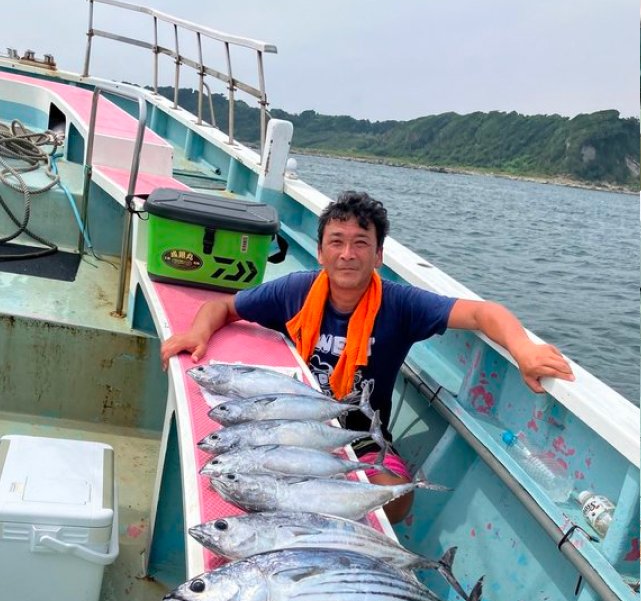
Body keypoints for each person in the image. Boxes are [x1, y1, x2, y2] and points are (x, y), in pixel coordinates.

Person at [160, 190, 575, 522]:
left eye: (362, 244)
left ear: (378, 255)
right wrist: (197, 333)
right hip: (287, 427)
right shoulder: (294, 291)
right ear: (320, 252)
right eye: (336, 242)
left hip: (360, 436)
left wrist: (524, 348)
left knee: (397, 499)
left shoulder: (401, 305)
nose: (347, 254)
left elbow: (484, 313)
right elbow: (225, 307)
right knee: (233, 481)